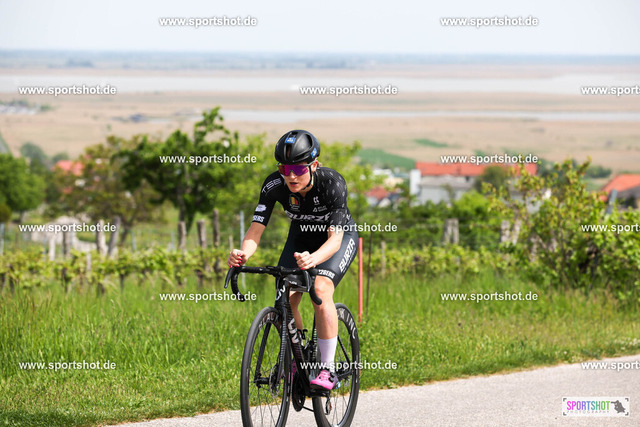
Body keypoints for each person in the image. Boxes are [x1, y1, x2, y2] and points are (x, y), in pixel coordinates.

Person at [227, 129, 358, 390]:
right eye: (284, 169)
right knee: (285, 297)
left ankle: (327, 370)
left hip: (337, 239)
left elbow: (334, 241)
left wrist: (314, 259)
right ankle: (298, 358)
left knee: (320, 289)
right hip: (300, 238)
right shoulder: (273, 185)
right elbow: (256, 228)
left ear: (314, 165)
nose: (290, 176)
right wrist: (243, 253)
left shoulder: (332, 183)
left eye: (298, 169)